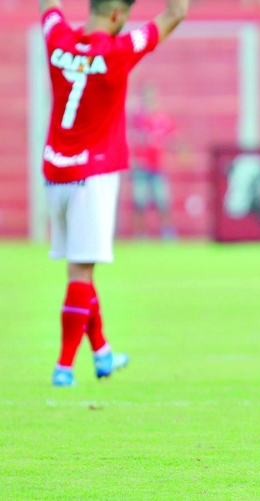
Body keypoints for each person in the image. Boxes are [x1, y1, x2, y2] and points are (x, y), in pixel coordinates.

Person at [40, 0, 189, 386]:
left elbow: (49, 7)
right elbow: (175, 13)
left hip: (55, 173)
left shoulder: (57, 38)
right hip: (93, 174)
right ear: (118, 15)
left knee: (80, 269)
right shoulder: (119, 50)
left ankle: (103, 352)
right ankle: (64, 367)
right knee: (80, 271)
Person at [129, 82, 178, 240]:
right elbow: (131, 136)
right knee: (140, 203)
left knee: (163, 201)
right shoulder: (137, 118)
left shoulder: (162, 118)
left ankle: (167, 233)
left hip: (157, 166)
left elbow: (171, 138)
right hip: (141, 166)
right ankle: (140, 235)